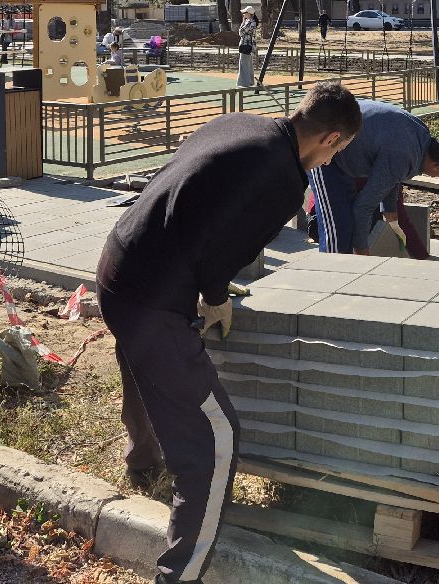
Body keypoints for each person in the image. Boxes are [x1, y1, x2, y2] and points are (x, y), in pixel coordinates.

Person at [96, 81, 362, 584]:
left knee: (140, 365)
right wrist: (215, 297)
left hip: (116, 266)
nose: (332, 161)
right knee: (216, 440)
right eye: (339, 151)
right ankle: (181, 574)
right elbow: (219, 253)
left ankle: (141, 462)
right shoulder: (285, 181)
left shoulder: (239, 122)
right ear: (329, 138)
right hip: (154, 301)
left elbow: (187, 191)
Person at [308, 99, 439, 258]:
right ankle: (332, 274)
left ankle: (345, 268)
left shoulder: (420, 139)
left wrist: (389, 209)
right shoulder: (405, 155)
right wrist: (362, 251)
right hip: (323, 145)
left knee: (348, 223)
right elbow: (363, 207)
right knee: (336, 228)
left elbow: (391, 175)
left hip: (343, 152)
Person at [235, 7, 258, 88]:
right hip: (250, 45)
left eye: (245, 13)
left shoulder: (249, 22)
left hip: (245, 45)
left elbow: (241, 32)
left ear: (249, 13)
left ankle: (244, 83)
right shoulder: (253, 22)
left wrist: (243, 22)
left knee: (243, 64)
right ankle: (250, 82)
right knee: (249, 64)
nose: (243, 14)